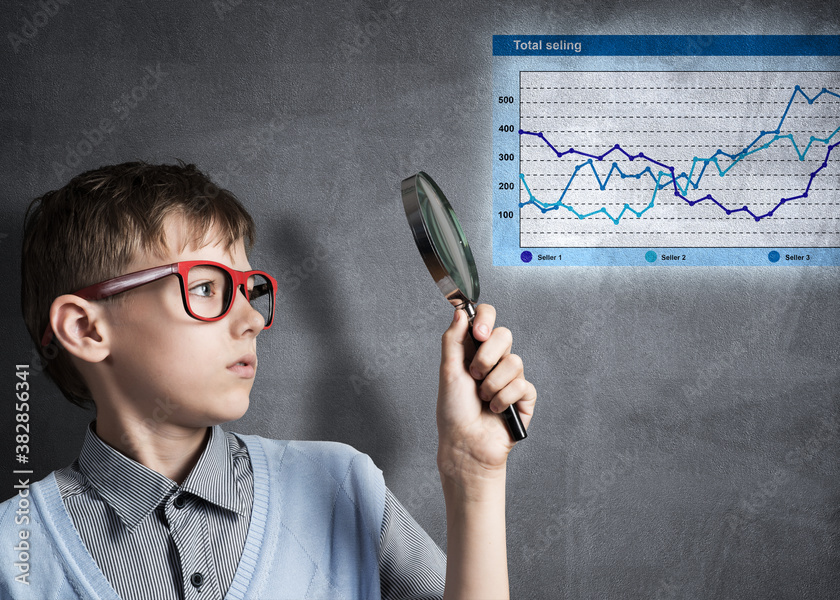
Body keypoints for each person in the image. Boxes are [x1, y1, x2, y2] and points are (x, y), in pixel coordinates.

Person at [0, 161, 536, 600]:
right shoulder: (13, 551)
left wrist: (474, 477)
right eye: (207, 288)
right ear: (86, 328)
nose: (253, 319)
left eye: (250, 290)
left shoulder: (341, 484)